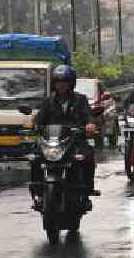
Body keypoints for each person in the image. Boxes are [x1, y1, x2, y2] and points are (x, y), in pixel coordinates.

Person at [32, 64, 98, 210]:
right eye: (57, 81)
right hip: (53, 142)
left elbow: (89, 116)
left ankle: (86, 192)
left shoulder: (80, 100)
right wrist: (35, 124)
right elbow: (40, 119)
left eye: (64, 81)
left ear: (71, 83)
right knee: (35, 158)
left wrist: (90, 125)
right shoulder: (48, 101)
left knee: (87, 156)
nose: (61, 85)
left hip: (75, 140)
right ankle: (37, 193)